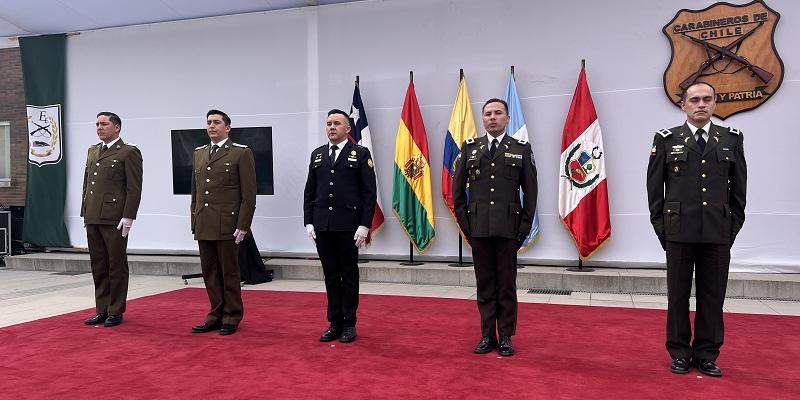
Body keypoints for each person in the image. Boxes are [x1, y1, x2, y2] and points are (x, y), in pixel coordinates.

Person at [647, 82, 747, 377]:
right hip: (678, 231)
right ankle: (679, 351)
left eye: (707, 99)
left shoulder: (731, 139)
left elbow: (739, 190)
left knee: (713, 295)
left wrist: (732, 227)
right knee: (677, 295)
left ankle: (706, 354)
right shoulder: (666, 139)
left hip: (717, 231)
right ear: (684, 105)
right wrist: (662, 228)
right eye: (694, 100)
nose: (701, 104)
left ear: (714, 103)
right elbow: (654, 190)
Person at [452, 98, 537, 356]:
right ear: (483, 118)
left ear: (507, 118)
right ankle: (487, 335)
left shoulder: (520, 149)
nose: (492, 117)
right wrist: (467, 227)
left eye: (498, 113)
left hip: (509, 230)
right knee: (485, 284)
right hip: (479, 229)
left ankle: (507, 336)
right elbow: (457, 194)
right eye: (488, 113)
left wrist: (522, 230)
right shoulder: (470, 149)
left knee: (507, 286)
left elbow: (531, 194)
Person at [303, 109, 377, 343]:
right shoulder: (318, 155)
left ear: (348, 129)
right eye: (328, 124)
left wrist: (364, 225)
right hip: (322, 226)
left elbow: (369, 193)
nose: (331, 127)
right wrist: (308, 222)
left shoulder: (360, 154)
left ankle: (349, 323)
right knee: (330, 276)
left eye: (337, 123)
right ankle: (333, 322)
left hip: (348, 226)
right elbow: (309, 191)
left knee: (349, 275)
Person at [190, 109, 256, 336]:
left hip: (227, 224)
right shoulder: (199, 153)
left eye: (216, 122)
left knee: (229, 272)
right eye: (208, 122)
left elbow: (249, 195)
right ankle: (215, 314)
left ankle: (232, 315)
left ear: (227, 127)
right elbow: (196, 192)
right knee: (210, 272)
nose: (211, 126)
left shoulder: (240, 153)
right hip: (205, 223)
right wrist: (194, 221)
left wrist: (243, 225)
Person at [81, 112, 143, 327]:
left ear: (116, 127)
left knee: (116, 264)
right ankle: (102, 309)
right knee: (98, 264)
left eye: (104, 124)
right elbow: (87, 185)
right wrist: (85, 211)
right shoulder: (93, 151)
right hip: (93, 217)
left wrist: (128, 216)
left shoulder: (128, 152)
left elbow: (134, 189)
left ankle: (116, 310)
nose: (99, 127)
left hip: (114, 218)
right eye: (97, 123)